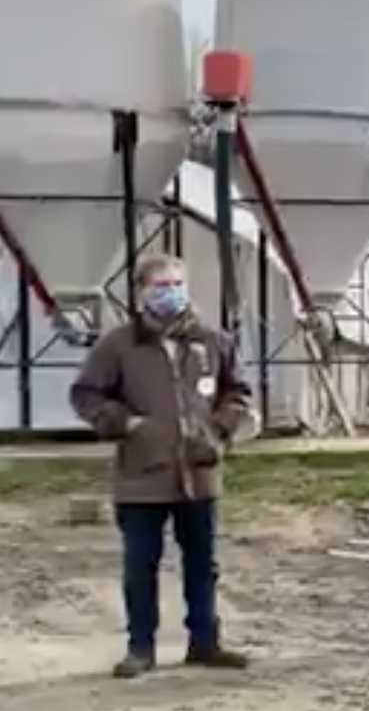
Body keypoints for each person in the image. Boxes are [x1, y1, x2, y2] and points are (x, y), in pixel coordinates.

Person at [69, 253, 257, 679]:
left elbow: (238, 391)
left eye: (176, 283)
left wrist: (220, 429)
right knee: (141, 565)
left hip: (199, 471)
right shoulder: (119, 345)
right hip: (142, 474)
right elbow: (87, 395)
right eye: (159, 286)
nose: (169, 292)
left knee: (203, 563)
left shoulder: (212, 340)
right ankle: (141, 648)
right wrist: (125, 423)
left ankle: (206, 643)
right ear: (141, 293)